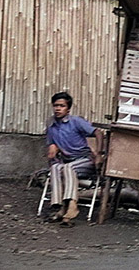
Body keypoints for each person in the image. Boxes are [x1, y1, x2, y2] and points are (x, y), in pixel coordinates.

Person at [46, 91, 102, 226]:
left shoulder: (76, 121)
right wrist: (53, 147)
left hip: (85, 161)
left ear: (68, 108)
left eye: (62, 106)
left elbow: (98, 132)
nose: (58, 109)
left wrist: (99, 154)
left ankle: (72, 205)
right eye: (55, 106)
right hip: (67, 162)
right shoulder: (51, 125)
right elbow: (52, 144)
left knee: (67, 167)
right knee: (55, 167)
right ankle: (59, 206)